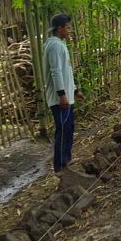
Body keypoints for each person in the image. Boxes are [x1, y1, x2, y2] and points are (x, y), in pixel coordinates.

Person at [43, 14, 84, 174]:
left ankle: (66, 161)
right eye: (68, 28)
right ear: (60, 29)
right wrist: (62, 94)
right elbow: (55, 72)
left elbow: (66, 71)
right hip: (59, 99)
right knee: (62, 130)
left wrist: (74, 90)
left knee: (68, 129)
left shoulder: (59, 44)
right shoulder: (54, 46)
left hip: (66, 96)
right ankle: (59, 166)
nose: (70, 31)